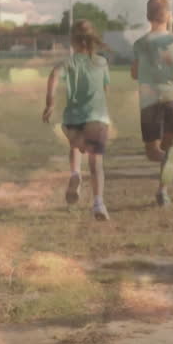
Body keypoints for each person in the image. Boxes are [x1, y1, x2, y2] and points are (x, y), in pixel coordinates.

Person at [43, 20, 112, 221]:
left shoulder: (69, 63)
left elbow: (54, 75)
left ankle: (75, 174)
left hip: (72, 120)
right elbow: (106, 88)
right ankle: (98, 203)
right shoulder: (101, 62)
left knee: (75, 147)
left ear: (72, 41)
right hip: (97, 117)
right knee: (96, 161)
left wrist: (50, 104)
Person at [131, 0, 173, 207]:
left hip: (149, 101)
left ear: (148, 16)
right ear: (168, 15)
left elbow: (135, 73)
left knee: (152, 151)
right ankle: (163, 189)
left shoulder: (140, 44)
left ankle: (165, 168)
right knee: (169, 143)